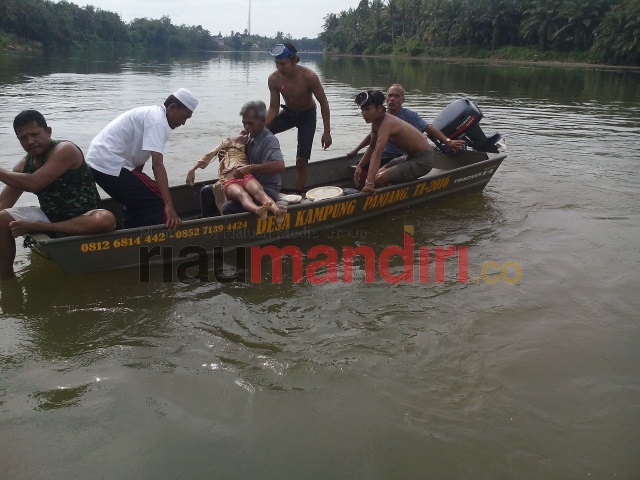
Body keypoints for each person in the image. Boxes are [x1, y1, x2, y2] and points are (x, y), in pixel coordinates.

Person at [0, 110, 116, 280]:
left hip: (84, 217)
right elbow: (4, 202)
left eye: (34, 134)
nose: (30, 141)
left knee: (106, 219)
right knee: (2, 217)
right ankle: (5, 277)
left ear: (48, 131)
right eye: (23, 138)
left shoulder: (65, 149)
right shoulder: (26, 164)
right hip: (50, 216)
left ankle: (42, 228)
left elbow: (35, 183)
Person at [86, 88, 198, 230]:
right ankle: (155, 238)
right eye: (184, 117)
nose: (183, 123)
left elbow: (138, 161)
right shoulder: (158, 121)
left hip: (100, 163)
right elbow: (157, 166)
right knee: (158, 198)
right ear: (172, 107)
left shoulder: (154, 115)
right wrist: (169, 206)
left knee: (140, 196)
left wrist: (138, 181)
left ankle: (130, 231)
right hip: (109, 163)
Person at [199, 100, 285, 217]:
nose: (246, 127)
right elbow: (238, 159)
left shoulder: (269, 140)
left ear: (262, 121)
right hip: (246, 184)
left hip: (265, 190)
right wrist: (224, 158)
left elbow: (279, 166)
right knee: (206, 191)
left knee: (228, 207)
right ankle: (208, 226)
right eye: (244, 123)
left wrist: (250, 168)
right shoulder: (248, 138)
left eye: (250, 123)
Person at [266, 42, 332, 190]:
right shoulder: (274, 79)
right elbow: (273, 108)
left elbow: (324, 103)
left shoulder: (309, 77)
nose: (279, 68)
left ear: (296, 60)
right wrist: (258, 128)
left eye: (283, 64)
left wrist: (327, 132)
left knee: (301, 160)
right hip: (288, 113)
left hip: (307, 116)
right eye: (277, 64)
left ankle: (297, 194)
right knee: (260, 135)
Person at [347, 83, 465, 164]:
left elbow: (429, 128)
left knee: (378, 174)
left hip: (399, 156)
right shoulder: (380, 116)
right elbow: (372, 136)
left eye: (396, 96)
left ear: (402, 100)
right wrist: (356, 150)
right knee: (360, 167)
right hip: (384, 154)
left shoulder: (409, 116)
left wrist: (448, 141)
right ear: (385, 99)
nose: (392, 99)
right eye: (390, 95)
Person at [187, 130, 286, 223]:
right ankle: (209, 224)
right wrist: (193, 169)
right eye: (244, 126)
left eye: (248, 126)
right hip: (230, 181)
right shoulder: (227, 143)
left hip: (247, 177)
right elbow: (207, 156)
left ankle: (277, 211)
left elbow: (277, 165)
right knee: (238, 195)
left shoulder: (250, 143)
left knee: (258, 192)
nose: (244, 131)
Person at [352, 90, 436, 193]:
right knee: (376, 175)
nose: (364, 114)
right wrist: (360, 166)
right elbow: (372, 147)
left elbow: (377, 154)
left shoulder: (387, 123)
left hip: (423, 160)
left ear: (379, 108)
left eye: (368, 109)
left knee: (378, 178)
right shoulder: (376, 123)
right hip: (408, 157)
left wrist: (368, 184)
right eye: (362, 110)